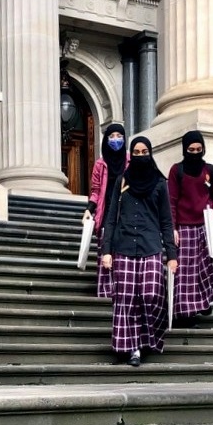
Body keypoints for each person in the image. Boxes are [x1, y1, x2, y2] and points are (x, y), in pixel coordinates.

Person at [101, 136, 177, 367]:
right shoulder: (123, 181)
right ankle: (133, 347)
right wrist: (107, 251)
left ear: (150, 154)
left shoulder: (159, 184)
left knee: (151, 294)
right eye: (137, 152)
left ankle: (149, 336)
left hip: (151, 246)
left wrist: (172, 256)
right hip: (123, 246)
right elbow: (111, 217)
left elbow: (166, 221)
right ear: (131, 154)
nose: (141, 156)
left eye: (145, 152)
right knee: (126, 298)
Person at [167, 130, 213, 326]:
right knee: (186, 273)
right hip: (184, 228)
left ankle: (205, 300)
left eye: (199, 149)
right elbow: (172, 201)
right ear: (185, 149)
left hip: (206, 226)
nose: (195, 152)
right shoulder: (176, 170)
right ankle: (185, 313)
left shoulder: (209, 169)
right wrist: (173, 228)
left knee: (212, 266)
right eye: (191, 149)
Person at [82, 123, 128, 297]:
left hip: (125, 213)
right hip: (106, 211)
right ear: (106, 139)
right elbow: (95, 190)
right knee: (105, 250)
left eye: (119, 136)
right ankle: (106, 291)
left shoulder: (130, 160)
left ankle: (121, 289)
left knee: (122, 251)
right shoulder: (100, 164)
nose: (116, 140)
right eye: (112, 136)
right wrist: (89, 209)